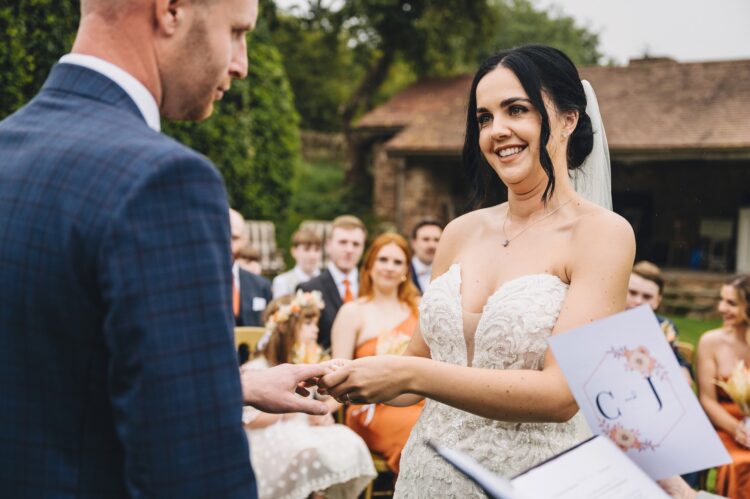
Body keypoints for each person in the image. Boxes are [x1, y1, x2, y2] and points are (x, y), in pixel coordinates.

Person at [0, 1, 330, 496]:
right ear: (171, 10)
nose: (241, 64)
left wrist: (229, 386)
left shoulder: (9, 145)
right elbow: (194, 469)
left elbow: (50, 364)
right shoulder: (164, 181)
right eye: (237, 32)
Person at [320, 45, 635, 497]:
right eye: (484, 117)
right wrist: (350, 375)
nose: (496, 131)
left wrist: (412, 376)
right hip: (428, 473)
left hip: (529, 481)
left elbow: (561, 396)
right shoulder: (459, 232)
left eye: (517, 109)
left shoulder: (602, 235)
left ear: (568, 119)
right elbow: (416, 367)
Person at [242, 292, 376, 499]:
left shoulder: (307, 361)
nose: (316, 330)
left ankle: (321, 493)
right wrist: (288, 413)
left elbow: (326, 397)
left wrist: (323, 412)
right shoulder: (258, 371)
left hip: (303, 428)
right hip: (268, 435)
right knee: (307, 451)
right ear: (285, 328)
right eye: (308, 323)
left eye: (316, 323)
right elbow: (248, 420)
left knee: (348, 441)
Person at [331, 233, 424, 473]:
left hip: (418, 401)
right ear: (370, 265)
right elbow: (337, 372)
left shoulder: (420, 308)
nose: (389, 268)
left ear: (406, 270)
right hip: (370, 406)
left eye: (397, 262)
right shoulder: (352, 312)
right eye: (383, 260)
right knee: (420, 433)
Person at [696, 275, 750, 499]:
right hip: (724, 425)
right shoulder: (711, 342)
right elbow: (707, 399)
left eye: (731, 303)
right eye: (722, 300)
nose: (721, 308)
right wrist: (738, 430)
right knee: (740, 463)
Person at [298, 215, 367, 349]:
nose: (349, 250)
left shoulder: (372, 286)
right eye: (343, 242)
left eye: (356, 244)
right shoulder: (309, 289)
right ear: (329, 245)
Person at [627, 261, 693, 383]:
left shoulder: (665, 326)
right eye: (632, 293)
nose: (638, 301)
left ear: (658, 300)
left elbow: (674, 358)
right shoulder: (605, 322)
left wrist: (683, 369)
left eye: (647, 297)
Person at [231, 209, 273, 327]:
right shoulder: (197, 284)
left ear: (245, 240)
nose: (228, 244)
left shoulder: (261, 286)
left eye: (234, 238)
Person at [273, 228, 323, 298]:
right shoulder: (282, 281)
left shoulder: (327, 280)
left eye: (317, 249)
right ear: (294, 251)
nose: (312, 256)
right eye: (306, 249)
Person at [409, 219, 443, 294]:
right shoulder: (403, 271)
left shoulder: (450, 273)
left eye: (437, 240)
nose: (432, 245)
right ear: (413, 243)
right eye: (426, 239)